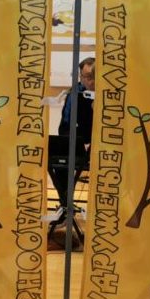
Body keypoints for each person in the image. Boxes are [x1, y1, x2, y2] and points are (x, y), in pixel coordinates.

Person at [49, 57, 95, 207]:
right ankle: (66, 204)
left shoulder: (106, 93)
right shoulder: (74, 93)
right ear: (80, 77)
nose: (91, 81)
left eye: (93, 76)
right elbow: (65, 124)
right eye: (87, 77)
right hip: (77, 141)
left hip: (98, 143)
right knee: (58, 160)